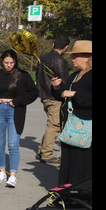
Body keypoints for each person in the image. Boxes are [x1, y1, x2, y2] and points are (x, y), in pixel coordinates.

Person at [0, 50, 38, 187]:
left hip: (15, 111)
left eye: (11, 63)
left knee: (13, 144)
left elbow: (34, 92)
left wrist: (18, 101)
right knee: (0, 143)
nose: (8, 65)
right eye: (6, 62)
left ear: (15, 62)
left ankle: (13, 175)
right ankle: (2, 171)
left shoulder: (22, 76)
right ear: (1, 61)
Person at [51, 40, 92, 186]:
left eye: (76, 56)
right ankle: (66, 192)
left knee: (82, 162)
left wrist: (75, 94)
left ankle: (80, 194)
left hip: (86, 127)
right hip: (70, 126)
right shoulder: (74, 75)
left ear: (88, 57)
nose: (72, 59)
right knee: (68, 160)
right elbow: (63, 96)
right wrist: (57, 88)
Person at [36, 36, 70, 164]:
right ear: (66, 47)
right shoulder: (59, 60)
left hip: (44, 94)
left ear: (53, 44)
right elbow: (64, 80)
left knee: (52, 123)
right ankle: (47, 153)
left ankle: (43, 150)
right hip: (54, 96)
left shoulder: (44, 57)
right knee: (54, 125)